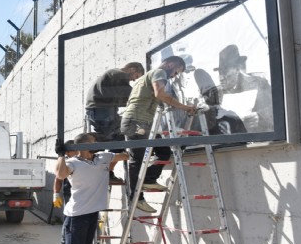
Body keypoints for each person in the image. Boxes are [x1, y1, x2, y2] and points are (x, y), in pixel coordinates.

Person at [54, 133, 129, 244]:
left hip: (92, 212)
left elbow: (124, 156)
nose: (98, 144)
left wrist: (119, 148)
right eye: (94, 142)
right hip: (77, 214)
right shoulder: (73, 163)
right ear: (84, 146)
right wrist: (61, 155)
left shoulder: (103, 157)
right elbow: (60, 175)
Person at [120, 56, 196, 213]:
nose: (175, 75)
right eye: (176, 71)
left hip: (140, 123)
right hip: (136, 122)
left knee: (163, 151)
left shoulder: (146, 77)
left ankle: (148, 179)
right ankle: (136, 198)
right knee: (137, 160)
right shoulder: (160, 72)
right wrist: (185, 107)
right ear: (169, 64)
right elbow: (160, 94)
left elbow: (156, 98)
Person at [214, 44, 273, 133]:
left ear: (237, 69)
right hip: (233, 141)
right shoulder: (218, 93)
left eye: (225, 71)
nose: (221, 77)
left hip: (259, 139)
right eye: (220, 72)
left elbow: (276, 107)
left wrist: (260, 117)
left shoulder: (259, 84)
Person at [85, 62, 146, 143]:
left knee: (114, 136)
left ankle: (91, 141)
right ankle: (89, 141)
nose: (134, 80)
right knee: (115, 134)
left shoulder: (113, 74)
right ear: (132, 69)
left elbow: (120, 96)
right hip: (102, 111)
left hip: (97, 111)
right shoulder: (120, 74)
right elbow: (129, 94)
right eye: (136, 76)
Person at [53, 140, 76, 244]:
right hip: (70, 194)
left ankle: (93, 243)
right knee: (68, 220)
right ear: (67, 152)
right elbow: (58, 179)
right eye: (73, 150)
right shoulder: (65, 162)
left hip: (86, 193)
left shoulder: (85, 159)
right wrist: (56, 194)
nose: (77, 152)